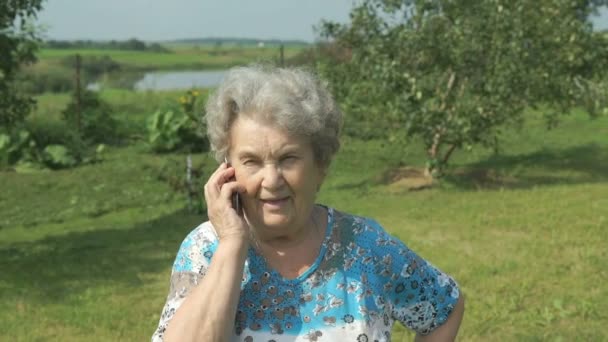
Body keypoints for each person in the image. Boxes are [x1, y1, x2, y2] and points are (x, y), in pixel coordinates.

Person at [152, 65, 464, 342]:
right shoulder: (204, 250)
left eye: (288, 158)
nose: (271, 180)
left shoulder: (366, 247)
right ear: (226, 170)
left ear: (320, 165)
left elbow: (445, 307)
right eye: (251, 161)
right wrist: (232, 244)